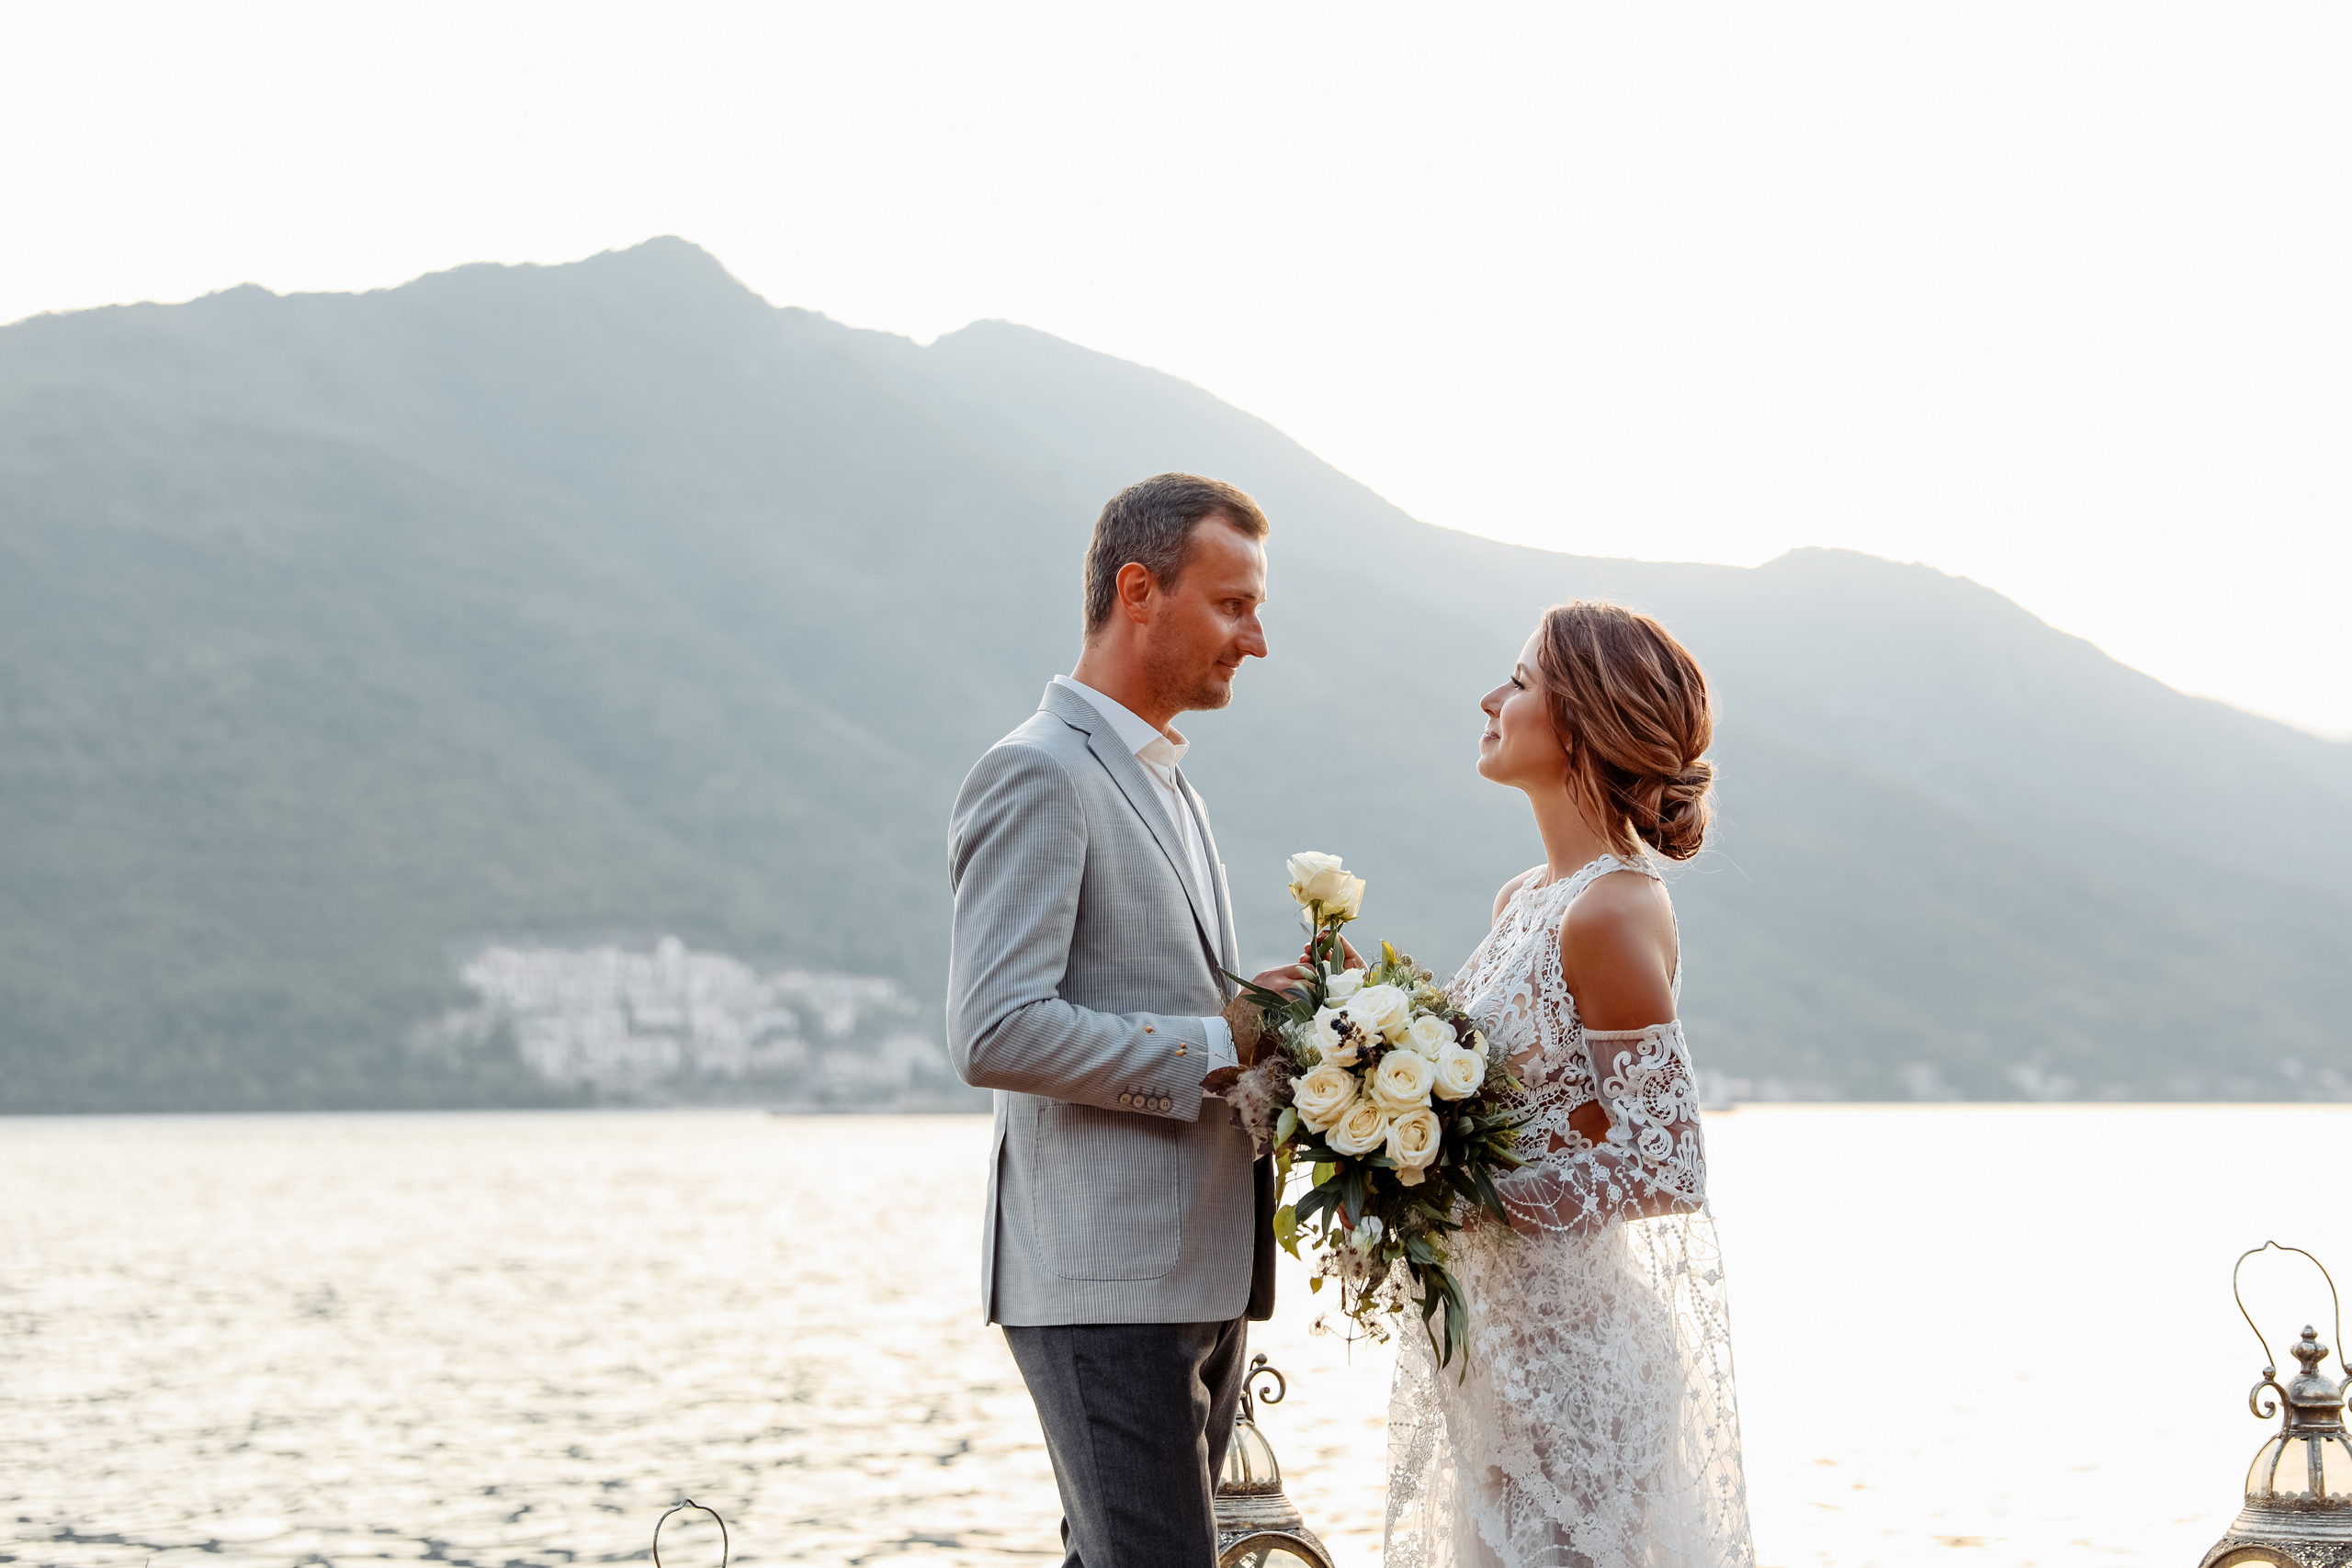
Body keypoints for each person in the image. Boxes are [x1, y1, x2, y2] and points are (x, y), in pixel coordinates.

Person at [945, 473, 1302, 1568]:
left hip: (1194, 1269)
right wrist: (1221, 1042)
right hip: (1103, 1280)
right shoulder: (1037, 772)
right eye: (1232, 604)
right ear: (1139, 590)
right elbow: (994, 1030)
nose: (1255, 638)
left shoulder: (1168, 785)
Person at [1382, 600, 1756, 1568]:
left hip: (1575, 1368)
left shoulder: (1609, 913)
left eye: (1518, 682)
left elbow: (1666, 1162)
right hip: (1495, 1355)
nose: (1490, 699)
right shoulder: (1524, 899)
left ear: (1581, 719)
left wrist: (1462, 1197)